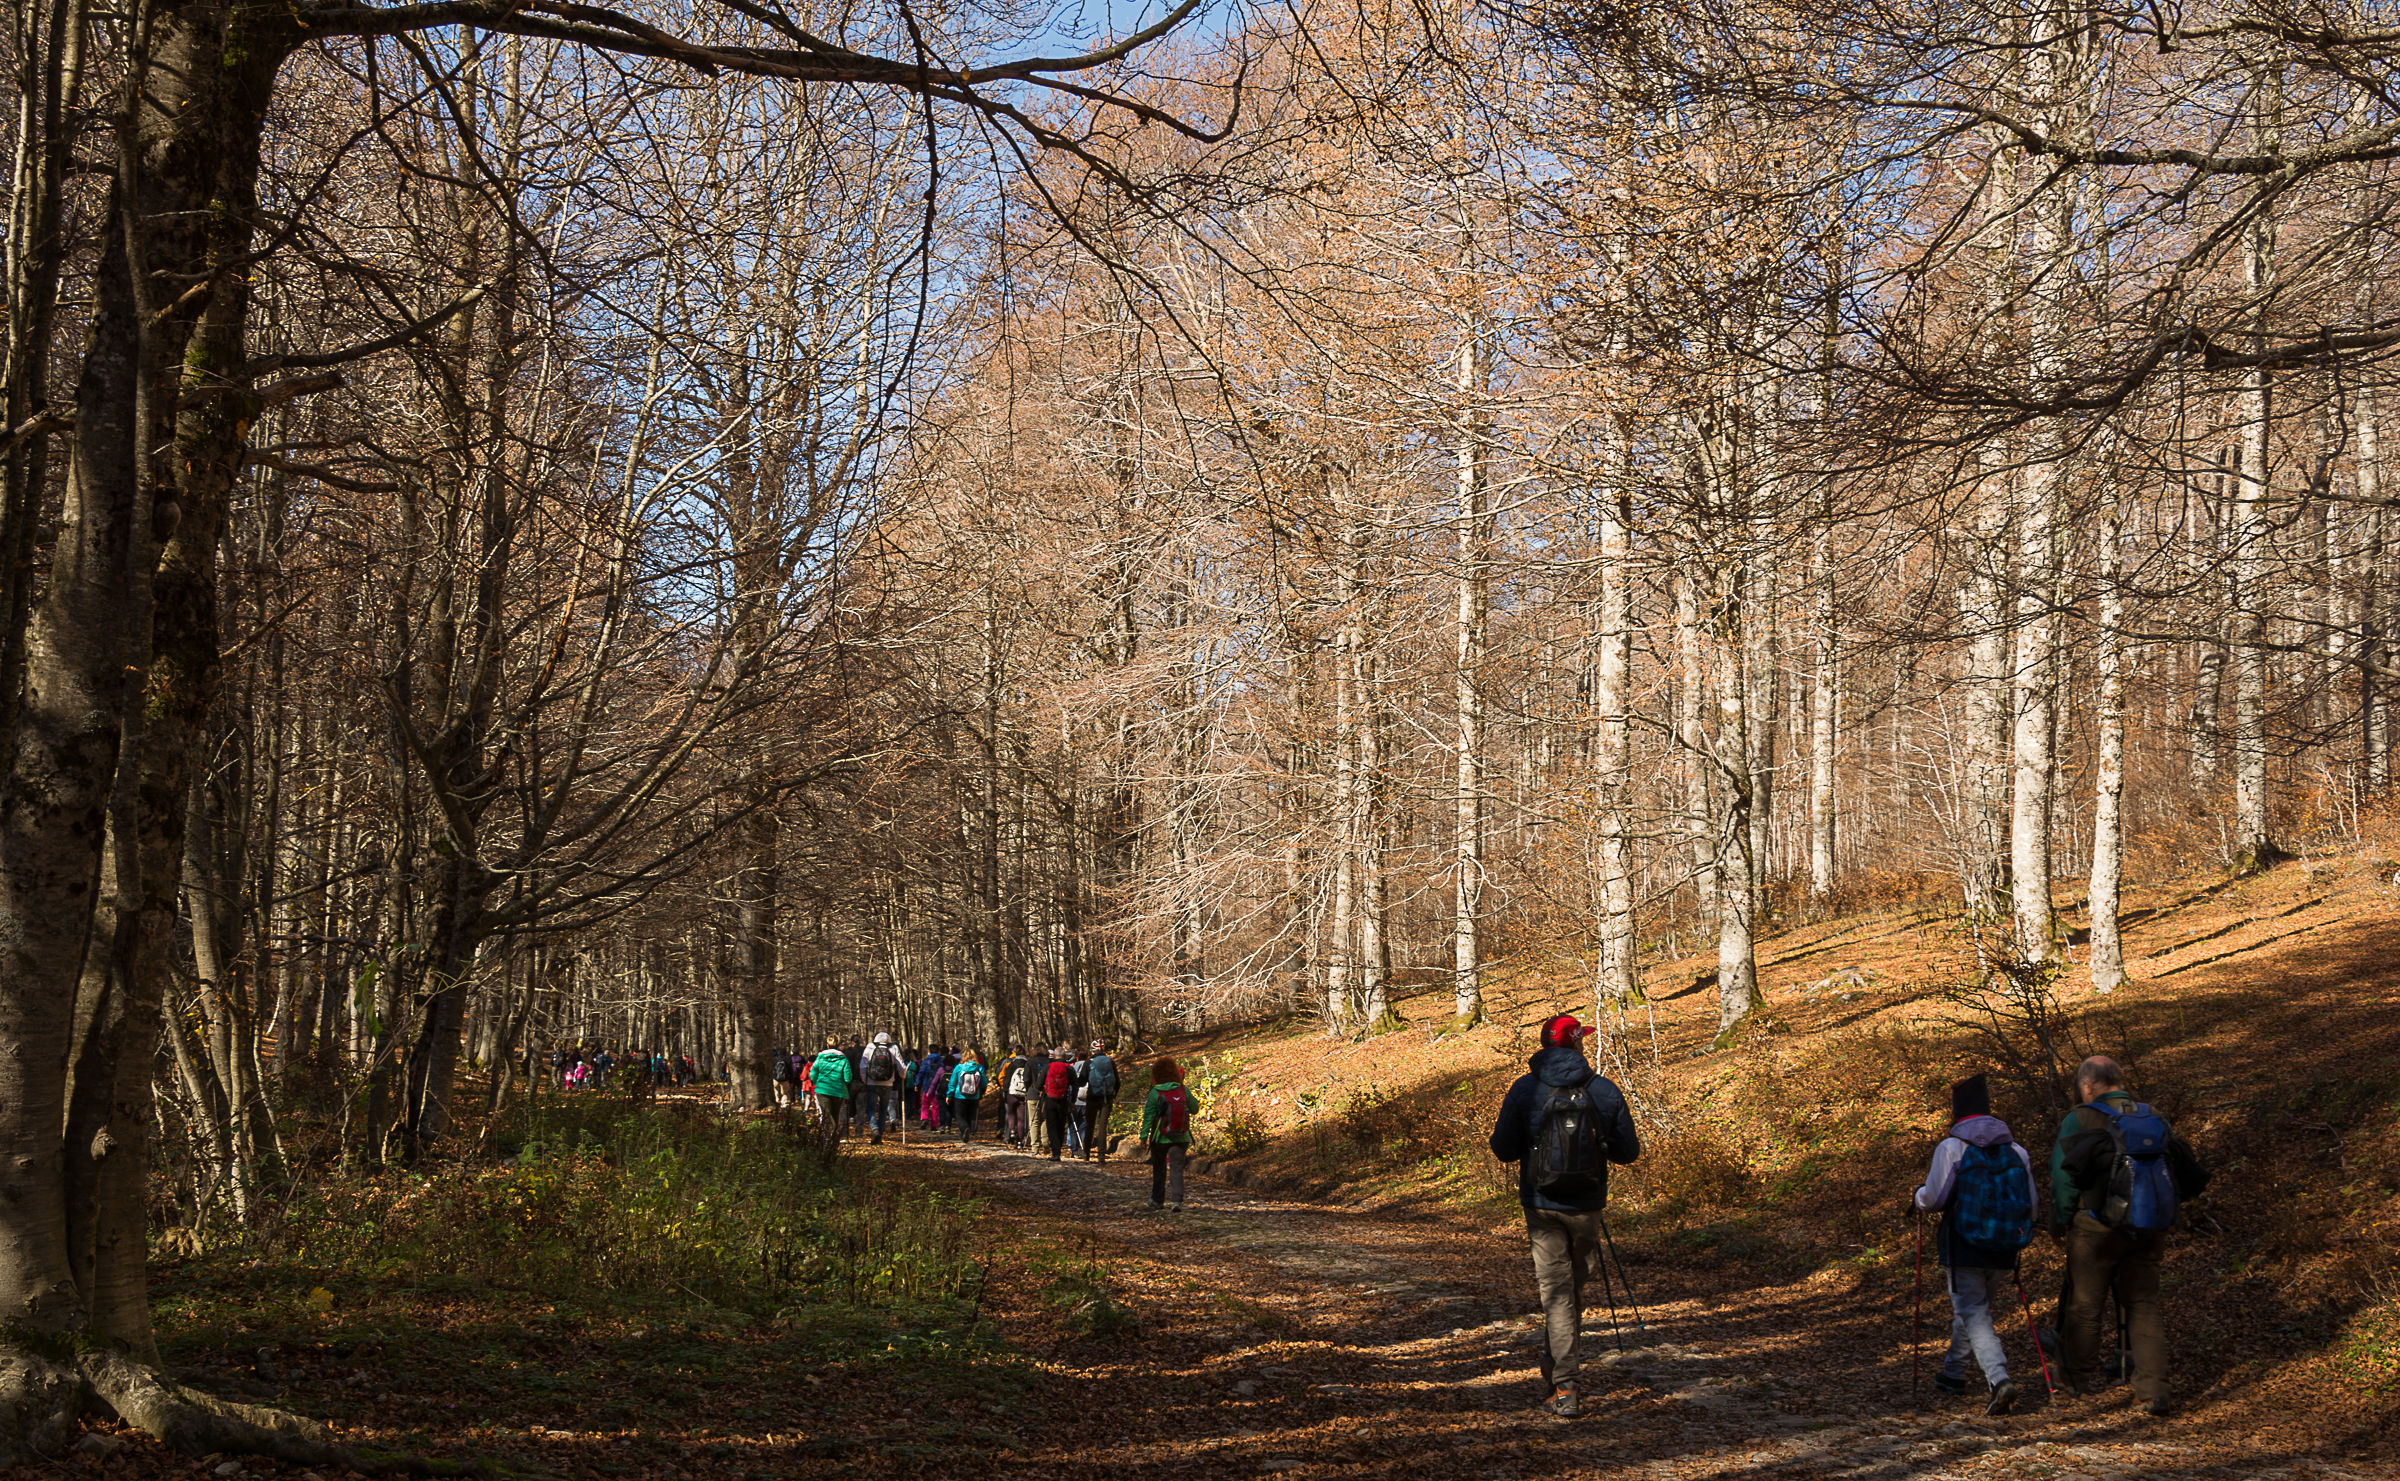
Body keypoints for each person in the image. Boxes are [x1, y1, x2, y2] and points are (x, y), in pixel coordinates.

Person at [1488, 1013, 1642, 1422]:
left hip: (1541, 1205)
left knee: (1557, 1295)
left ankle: (1565, 1385)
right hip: (1587, 1206)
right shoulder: (1603, 1089)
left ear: (1543, 1046)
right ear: (1576, 1044)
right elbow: (1629, 1153)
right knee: (1569, 1293)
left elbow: (1503, 1149)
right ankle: (1557, 1370)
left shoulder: (1525, 1089)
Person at [2050, 1055, 2198, 1416]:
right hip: (2147, 1224)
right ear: (2119, 1080)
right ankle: (2152, 1389)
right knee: (2143, 1304)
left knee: (2084, 1305)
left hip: (2094, 1226)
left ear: (2087, 1086)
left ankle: (2075, 1384)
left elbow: (2063, 1178)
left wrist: (2061, 1220)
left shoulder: (2079, 1118)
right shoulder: (2152, 1116)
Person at [1911, 1073, 2037, 1415]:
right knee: (1972, 1310)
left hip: (1963, 1243)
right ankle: (1953, 1374)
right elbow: (2032, 1205)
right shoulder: (2016, 1150)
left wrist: (1917, 1197)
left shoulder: (1952, 1147)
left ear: (1957, 1114)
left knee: (1974, 1312)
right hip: (2005, 1244)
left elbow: (1934, 1199)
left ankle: (1999, 1379)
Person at [1140, 1058, 1195, 1210]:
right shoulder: (1183, 1089)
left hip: (1160, 1137)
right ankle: (1176, 1201)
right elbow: (1195, 1108)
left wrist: (1143, 1136)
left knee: (1159, 1169)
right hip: (1181, 1137)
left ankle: (1158, 1200)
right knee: (1177, 1168)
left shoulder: (1155, 1092)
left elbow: (1148, 1117)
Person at [808, 1036, 853, 1156]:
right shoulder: (843, 1059)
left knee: (825, 1115)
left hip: (822, 1090)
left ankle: (825, 1140)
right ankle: (832, 1142)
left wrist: (817, 1082)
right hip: (838, 1091)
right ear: (838, 1045)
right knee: (835, 1116)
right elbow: (848, 1077)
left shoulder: (820, 1058)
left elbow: (813, 1073)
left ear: (827, 1045)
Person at [860, 1032, 906, 1144]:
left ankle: (874, 1129)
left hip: (872, 1082)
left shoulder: (870, 1047)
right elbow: (901, 1066)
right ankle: (879, 1135)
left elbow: (862, 1065)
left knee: (870, 1109)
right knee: (883, 1110)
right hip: (887, 1083)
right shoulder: (894, 1048)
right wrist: (903, 1076)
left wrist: (865, 1080)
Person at [1083, 1039, 1120, 1163]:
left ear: (1093, 1050)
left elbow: (1082, 1080)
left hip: (1092, 1097)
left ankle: (1086, 1154)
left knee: (1090, 1125)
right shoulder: (1110, 1062)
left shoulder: (1089, 1062)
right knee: (1102, 1126)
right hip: (1107, 1098)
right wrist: (1113, 1094)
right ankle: (1101, 1156)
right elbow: (1117, 1081)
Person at [1040, 1042, 1078, 1161]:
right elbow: (1075, 1086)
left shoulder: (1048, 1067)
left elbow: (1038, 1084)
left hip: (1050, 1100)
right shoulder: (1069, 1069)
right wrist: (1072, 1101)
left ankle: (1055, 1153)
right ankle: (1058, 1151)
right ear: (1065, 1057)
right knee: (1061, 1125)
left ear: (1054, 1056)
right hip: (1063, 1100)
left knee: (1051, 1125)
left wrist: (1043, 1090)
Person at [995, 1047, 1034, 1150]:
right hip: (1023, 1093)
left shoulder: (1011, 1064)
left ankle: (1012, 1130)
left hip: (1011, 1093)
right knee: (1021, 1118)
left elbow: (1005, 1078)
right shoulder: (1028, 1064)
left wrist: (1005, 1091)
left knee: (1011, 1113)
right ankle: (1020, 1141)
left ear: (1015, 1053)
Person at [948, 1051, 988, 1143]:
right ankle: (969, 1131)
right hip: (974, 1096)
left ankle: (964, 1129)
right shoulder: (979, 1068)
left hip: (960, 1095)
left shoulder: (959, 1067)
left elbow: (952, 1082)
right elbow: (984, 1083)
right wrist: (981, 1092)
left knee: (960, 1115)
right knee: (971, 1115)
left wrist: (949, 1094)